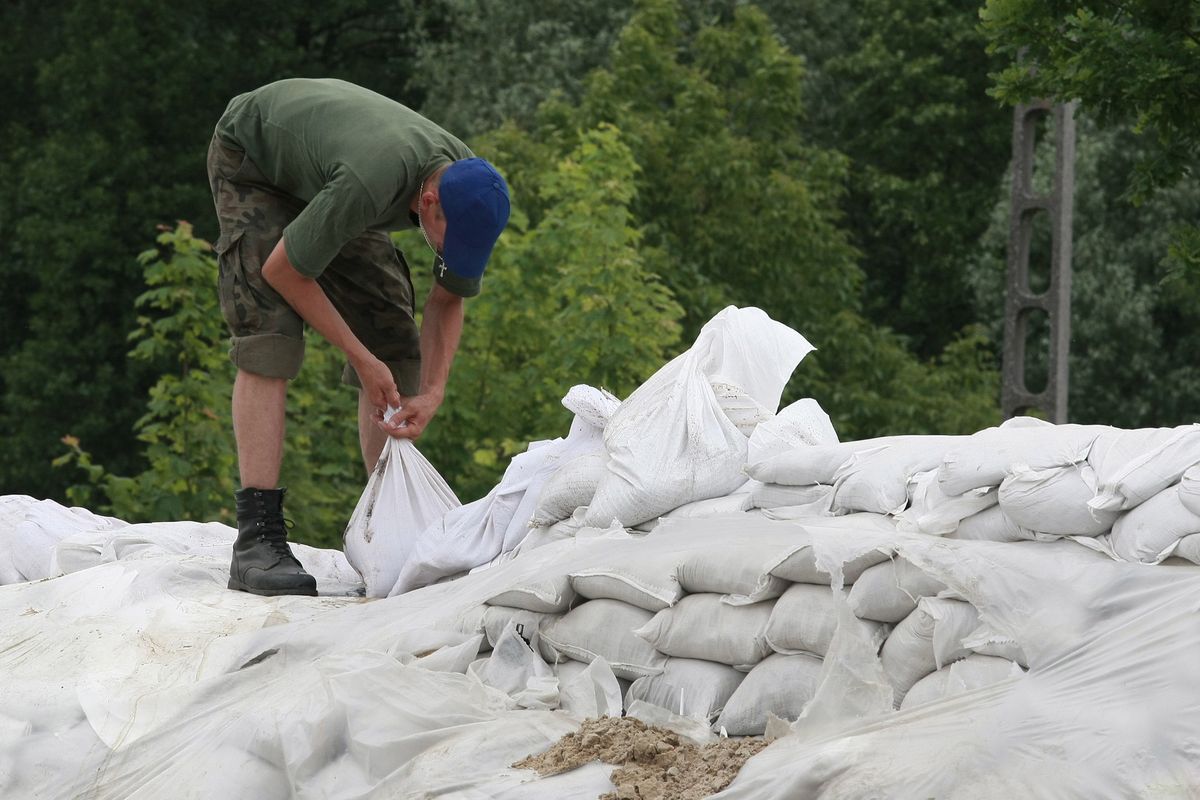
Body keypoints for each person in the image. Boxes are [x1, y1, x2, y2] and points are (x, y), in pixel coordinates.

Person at [206, 78, 510, 597]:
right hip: (255, 158)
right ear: (429, 200)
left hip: (334, 175)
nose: (448, 250)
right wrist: (359, 358)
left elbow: (448, 298)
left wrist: (433, 392)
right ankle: (256, 541)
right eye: (446, 238)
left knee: (394, 336)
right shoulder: (373, 181)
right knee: (270, 340)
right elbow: (284, 271)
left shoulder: (472, 186)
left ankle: (386, 528)